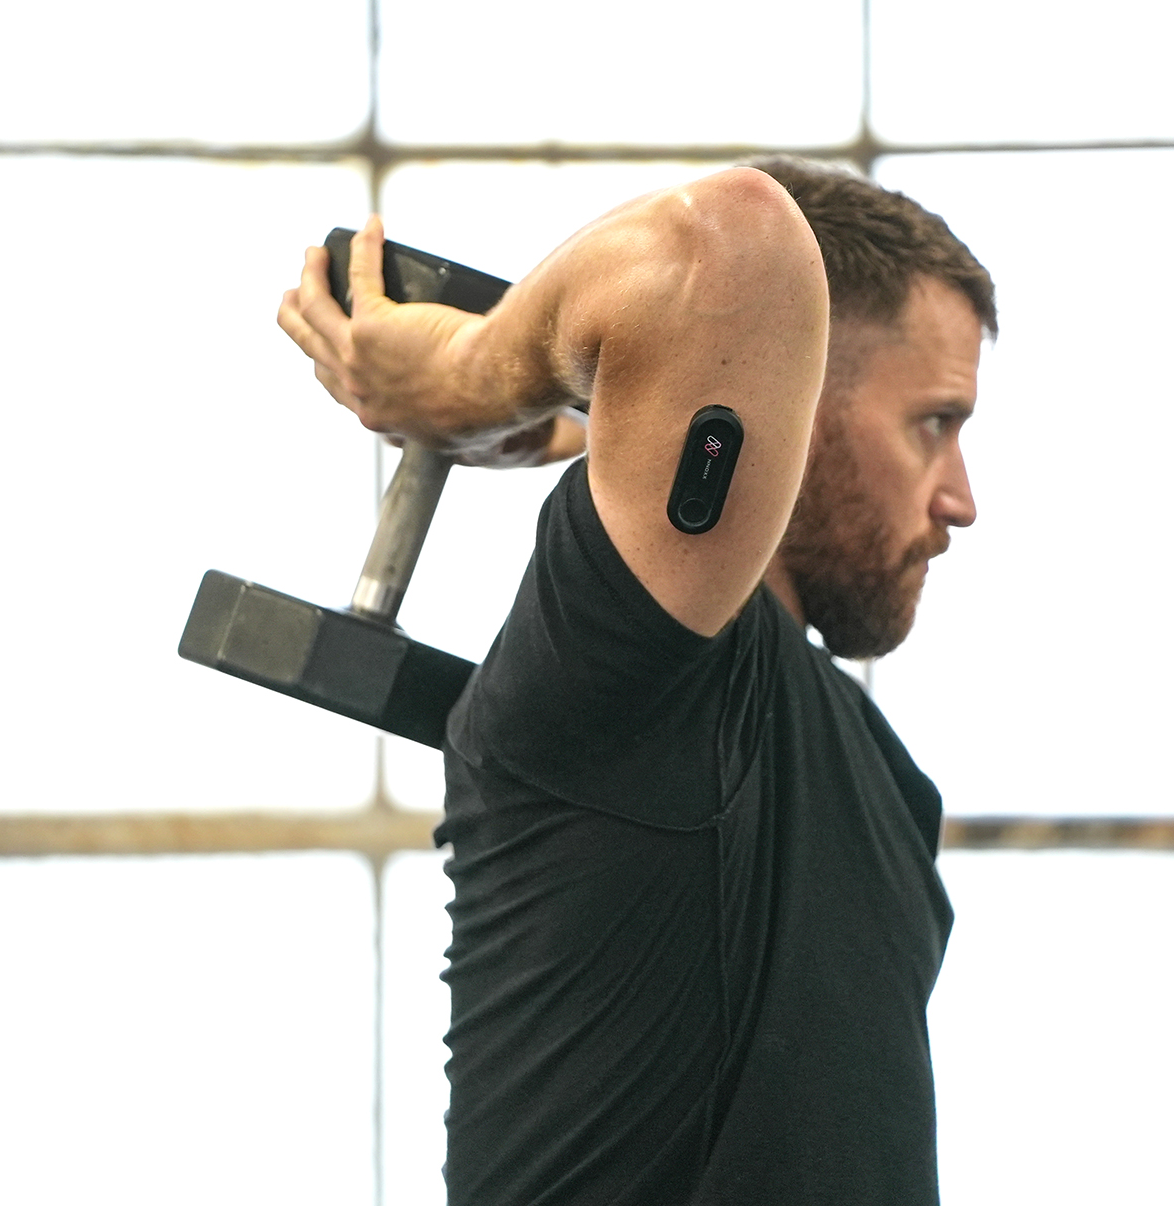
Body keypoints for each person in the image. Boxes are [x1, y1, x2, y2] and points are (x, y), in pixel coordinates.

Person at [278, 156, 996, 1205]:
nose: (961, 500)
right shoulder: (633, 673)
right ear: (805, 400)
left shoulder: (872, 772)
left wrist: (578, 426)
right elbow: (728, 244)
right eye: (933, 424)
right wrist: (468, 378)